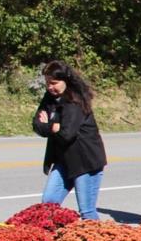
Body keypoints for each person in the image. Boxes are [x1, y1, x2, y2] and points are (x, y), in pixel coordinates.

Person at [32, 61, 106, 220]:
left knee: (87, 211)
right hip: (63, 159)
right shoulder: (49, 98)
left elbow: (67, 134)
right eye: (47, 83)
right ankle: (57, 240)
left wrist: (49, 125)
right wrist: (53, 127)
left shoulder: (75, 100)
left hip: (85, 161)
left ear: (66, 80)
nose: (50, 87)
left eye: (54, 83)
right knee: (48, 204)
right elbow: (37, 124)